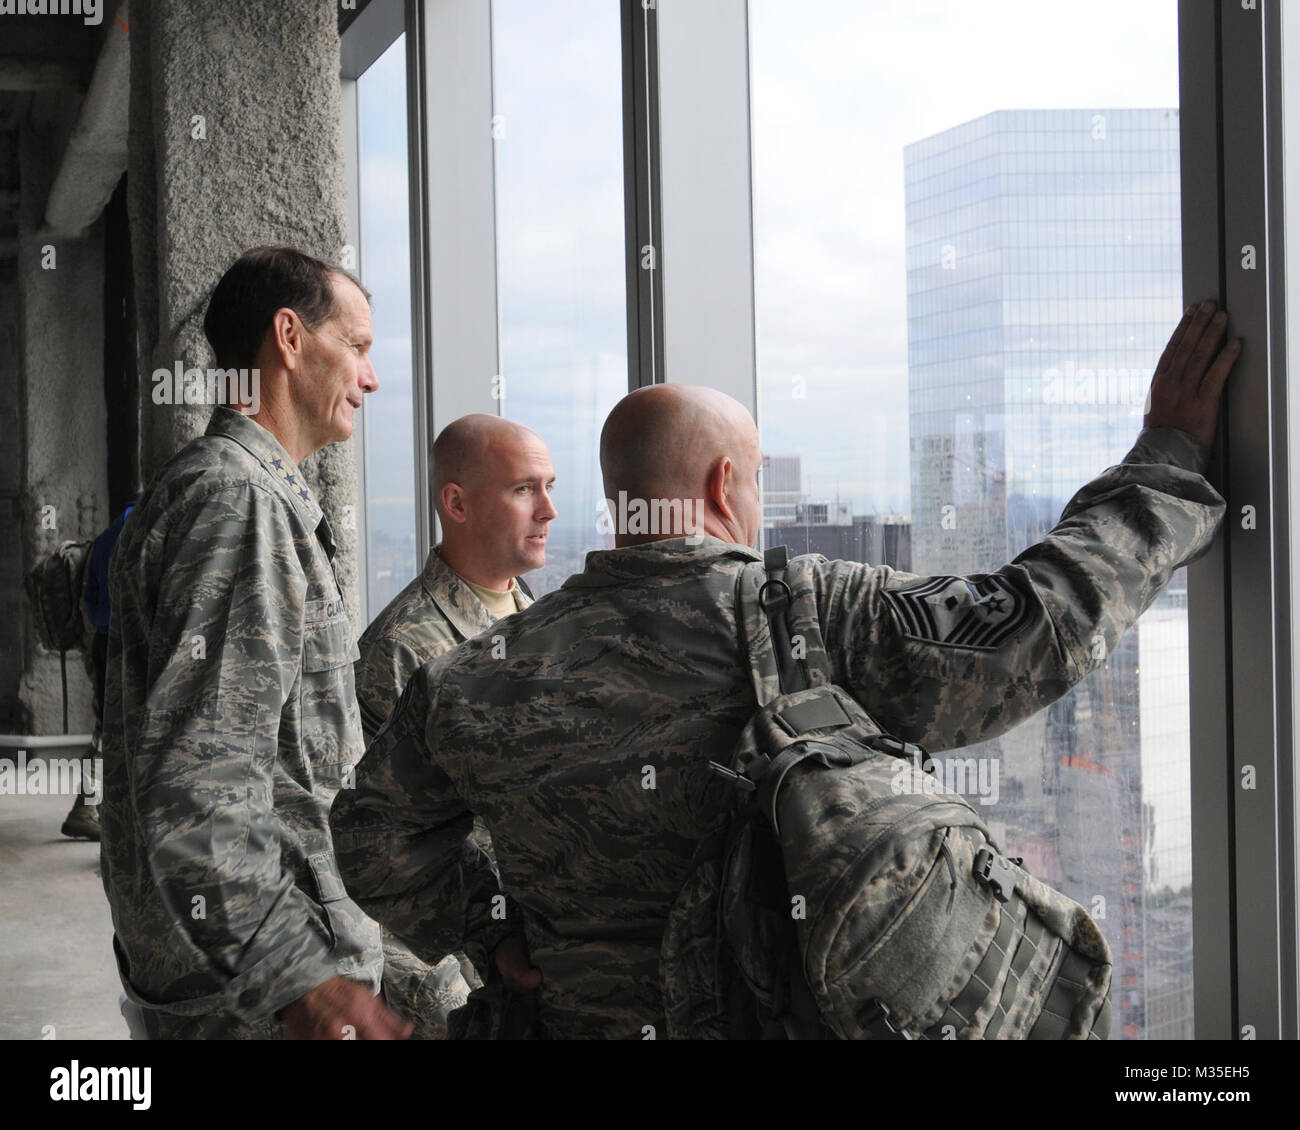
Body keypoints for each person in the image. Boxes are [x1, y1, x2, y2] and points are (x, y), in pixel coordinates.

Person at [331, 301, 1238, 1039]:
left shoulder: (476, 672)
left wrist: (492, 934)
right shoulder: (810, 612)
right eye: (759, 478)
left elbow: (369, 838)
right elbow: (1033, 623)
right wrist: (1164, 458)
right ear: (725, 487)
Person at [98, 245, 415, 1039]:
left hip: (223, 974)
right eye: (360, 346)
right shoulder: (238, 501)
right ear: (289, 336)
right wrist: (301, 981)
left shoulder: (223, 489)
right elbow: (201, 786)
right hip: (252, 998)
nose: (370, 379)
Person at [354, 412, 555, 1038]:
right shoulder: (402, 650)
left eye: (549, 486)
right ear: (457, 502)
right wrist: (449, 1008)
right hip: (466, 980)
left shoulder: (548, 626)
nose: (547, 509)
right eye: (525, 489)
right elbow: (379, 848)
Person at [60, 502, 133, 842]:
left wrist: (103, 624)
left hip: (105, 641)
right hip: (127, 643)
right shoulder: (144, 527)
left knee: (107, 728)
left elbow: (88, 596)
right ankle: (92, 810)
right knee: (120, 732)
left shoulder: (109, 532)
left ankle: (89, 807)